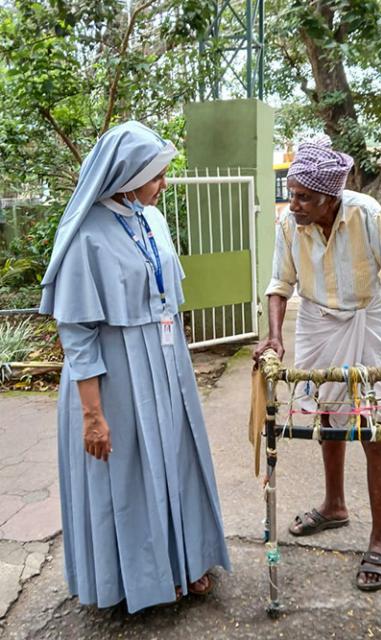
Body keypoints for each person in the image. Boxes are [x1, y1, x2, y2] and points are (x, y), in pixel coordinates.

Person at [39, 121, 230, 613]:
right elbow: (77, 335)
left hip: (167, 368)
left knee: (176, 466)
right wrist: (92, 415)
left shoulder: (153, 220)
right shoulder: (86, 237)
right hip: (115, 379)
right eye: (157, 176)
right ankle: (138, 580)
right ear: (127, 174)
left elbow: (168, 297)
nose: (164, 184)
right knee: (128, 478)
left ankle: (185, 564)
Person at [254, 135, 381, 592]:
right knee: (327, 418)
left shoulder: (366, 214)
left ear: (330, 197)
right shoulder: (291, 224)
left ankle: (378, 540)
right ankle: (334, 505)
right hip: (315, 321)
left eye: (303, 197)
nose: (293, 204)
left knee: (374, 427)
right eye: (291, 194)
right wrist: (274, 337)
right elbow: (279, 284)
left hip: (367, 319)